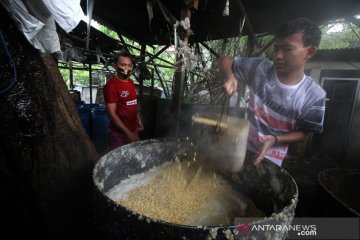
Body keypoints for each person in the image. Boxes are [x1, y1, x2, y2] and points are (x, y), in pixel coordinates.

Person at [219, 17, 326, 166]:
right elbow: (225, 60)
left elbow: (304, 133)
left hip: (271, 158)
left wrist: (276, 139)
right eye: (276, 48)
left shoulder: (314, 95)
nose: (278, 56)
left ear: (310, 52)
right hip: (239, 146)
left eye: (288, 49)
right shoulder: (260, 69)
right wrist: (230, 77)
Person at [103, 51, 144, 150]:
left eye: (130, 65)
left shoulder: (130, 82)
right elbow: (112, 114)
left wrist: (138, 119)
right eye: (123, 65)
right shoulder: (110, 86)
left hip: (133, 129)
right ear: (115, 66)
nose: (127, 68)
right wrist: (128, 134)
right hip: (119, 134)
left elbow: (132, 102)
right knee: (120, 161)